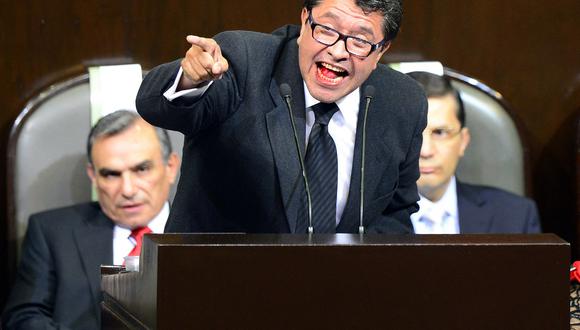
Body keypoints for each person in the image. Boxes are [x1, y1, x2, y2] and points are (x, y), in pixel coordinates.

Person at [136, 0, 427, 234]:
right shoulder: (245, 61)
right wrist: (190, 79)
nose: (338, 51)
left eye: (360, 41)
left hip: (337, 296)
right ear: (304, 20)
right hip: (219, 286)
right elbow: (155, 105)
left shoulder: (402, 103)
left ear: (382, 50)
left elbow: (395, 214)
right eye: (326, 29)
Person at [1, 110, 180, 329]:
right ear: (93, 176)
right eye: (111, 174)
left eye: (141, 169)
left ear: (170, 167)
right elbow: (22, 319)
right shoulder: (52, 233)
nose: (128, 189)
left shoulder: (208, 231)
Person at [407, 71, 541, 234]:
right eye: (412, 133)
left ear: (463, 141)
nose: (426, 151)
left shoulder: (515, 215)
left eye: (440, 132)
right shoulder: (369, 219)